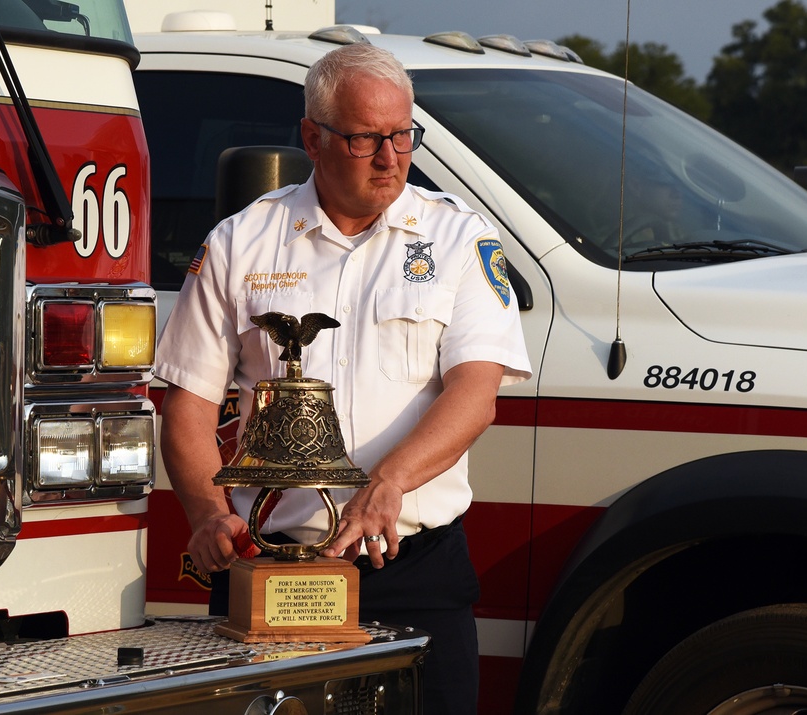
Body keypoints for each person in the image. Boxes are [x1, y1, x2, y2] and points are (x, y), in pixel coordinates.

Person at [156, 42, 531, 714]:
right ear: (313, 137)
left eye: (402, 135)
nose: (391, 157)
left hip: (413, 567)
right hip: (270, 572)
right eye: (366, 139)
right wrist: (209, 516)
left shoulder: (454, 240)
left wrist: (387, 485)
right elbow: (186, 403)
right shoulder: (243, 242)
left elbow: (476, 393)